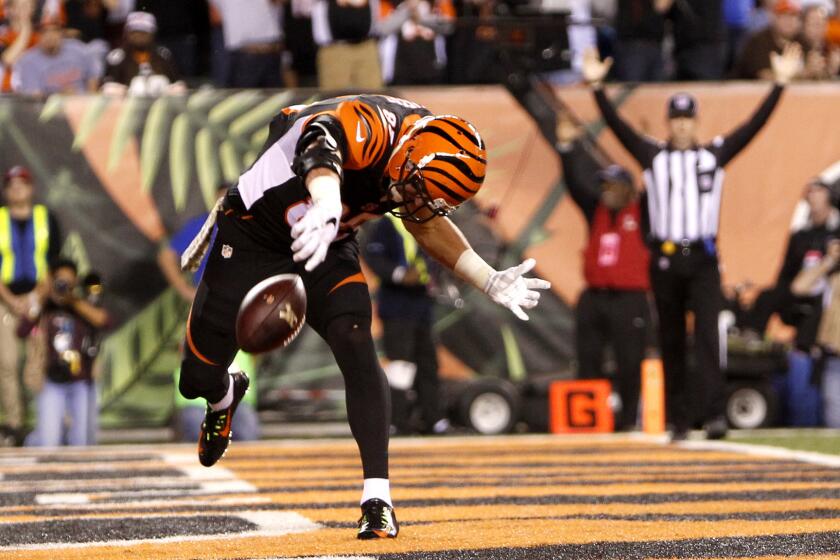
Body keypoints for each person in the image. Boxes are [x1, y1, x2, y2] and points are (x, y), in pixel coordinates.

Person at [177, 94, 550, 539]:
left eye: (424, 197)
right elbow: (320, 139)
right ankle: (224, 396)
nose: (412, 201)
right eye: (414, 189)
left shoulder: (423, 158)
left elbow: (425, 221)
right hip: (255, 232)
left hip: (327, 241)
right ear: (407, 152)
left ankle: (378, 499)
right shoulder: (376, 125)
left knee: (355, 338)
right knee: (196, 377)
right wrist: (328, 201)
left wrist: (487, 278)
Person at [581, 45, 800, 441]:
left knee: (707, 338)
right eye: (676, 119)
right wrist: (597, 88)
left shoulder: (713, 155)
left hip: (701, 258)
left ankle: (714, 414)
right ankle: (679, 420)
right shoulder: (653, 155)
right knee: (670, 339)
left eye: (687, 119)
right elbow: (619, 128)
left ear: (696, 123)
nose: (682, 126)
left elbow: (753, 126)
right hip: (665, 259)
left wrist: (780, 84)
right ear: (669, 123)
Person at [555, 111, 651, 431]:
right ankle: (589, 418)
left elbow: (656, 188)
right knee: (588, 358)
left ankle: (628, 421)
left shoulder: (644, 213)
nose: (606, 190)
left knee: (628, 360)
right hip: (595, 295)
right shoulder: (596, 211)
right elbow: (574, 186)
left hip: (629, 298)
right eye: (604, 185)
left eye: (613, 185)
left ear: (628, 189)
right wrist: (566, 148)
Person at [158, 185, 261, 443]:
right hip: (207, 306)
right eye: (224, 198)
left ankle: (228, 399)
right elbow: (167, 255)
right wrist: (184, 290)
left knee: (246, 435)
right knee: (196, 428)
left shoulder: (255, 228)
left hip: (239, 309)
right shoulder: (205, 225)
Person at [363, 214, 449, 435]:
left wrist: (433, 276)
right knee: (401, 364)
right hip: (396, 305)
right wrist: (400, 274)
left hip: (422, 305)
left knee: (427, 363)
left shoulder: (426, 218)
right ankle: (396, 421)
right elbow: (373, 255)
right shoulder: (387, 222)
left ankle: (433, 418)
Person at [0, 166, 62, 446]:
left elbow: (53, 264)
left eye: (22, 184)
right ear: (5, 190)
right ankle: (14, 424)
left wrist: (36, 299)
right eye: (11, 185)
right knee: (7, 363)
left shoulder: (45, 218)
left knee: (36, 364)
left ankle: (42, 425)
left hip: (38, 302)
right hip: (5, 302)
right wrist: (12, 301)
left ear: (31, 188)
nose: (17, 189)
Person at [20, 258, 110, 447]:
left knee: (82, 442)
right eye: (60, 281)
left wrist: (72, 300)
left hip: (80, 381)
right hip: (52, 381)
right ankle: (33, 440)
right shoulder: (45, 308)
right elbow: (23, 329)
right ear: (51, 281)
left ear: (75, 282)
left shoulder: (80, 304)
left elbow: (104, 321)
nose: (63, 286)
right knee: (48, 442)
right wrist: (42, 296)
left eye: (68, 282)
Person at [792, 237, 840, 428]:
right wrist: (828, 260)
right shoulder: (832, 277)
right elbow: (799, 287)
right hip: (834, 359)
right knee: (835, 423)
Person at [102, 11, 184, 97]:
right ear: (127, 33)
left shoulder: (163, 54)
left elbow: (178, 85)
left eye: (143, 32)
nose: (139, 36)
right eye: (134, 32)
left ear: (152, 33)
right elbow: (107, 88)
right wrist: (130, 91)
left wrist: (162, 88)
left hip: (161, 103)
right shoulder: (117, 57)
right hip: (126, 104)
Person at [13, 15, 100, 95]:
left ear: (62, 33)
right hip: (51, 109)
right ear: (37, 35)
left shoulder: (77, 49)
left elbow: (93, 77)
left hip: (82, 104)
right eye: (44, 32)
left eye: (55, 30)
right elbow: (35, 98)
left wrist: (90, 102)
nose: (50, 36)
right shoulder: (28, 61)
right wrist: (60, 96)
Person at [733, 0, 803, 80]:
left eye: (793, 16)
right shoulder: (759, 41)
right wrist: (803, 73)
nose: (789, 21)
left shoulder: (802, 41)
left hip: (795, 91)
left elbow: (813, 70)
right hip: (748, 90)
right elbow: (764, 75)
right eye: (784, 16)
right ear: (774, 18)